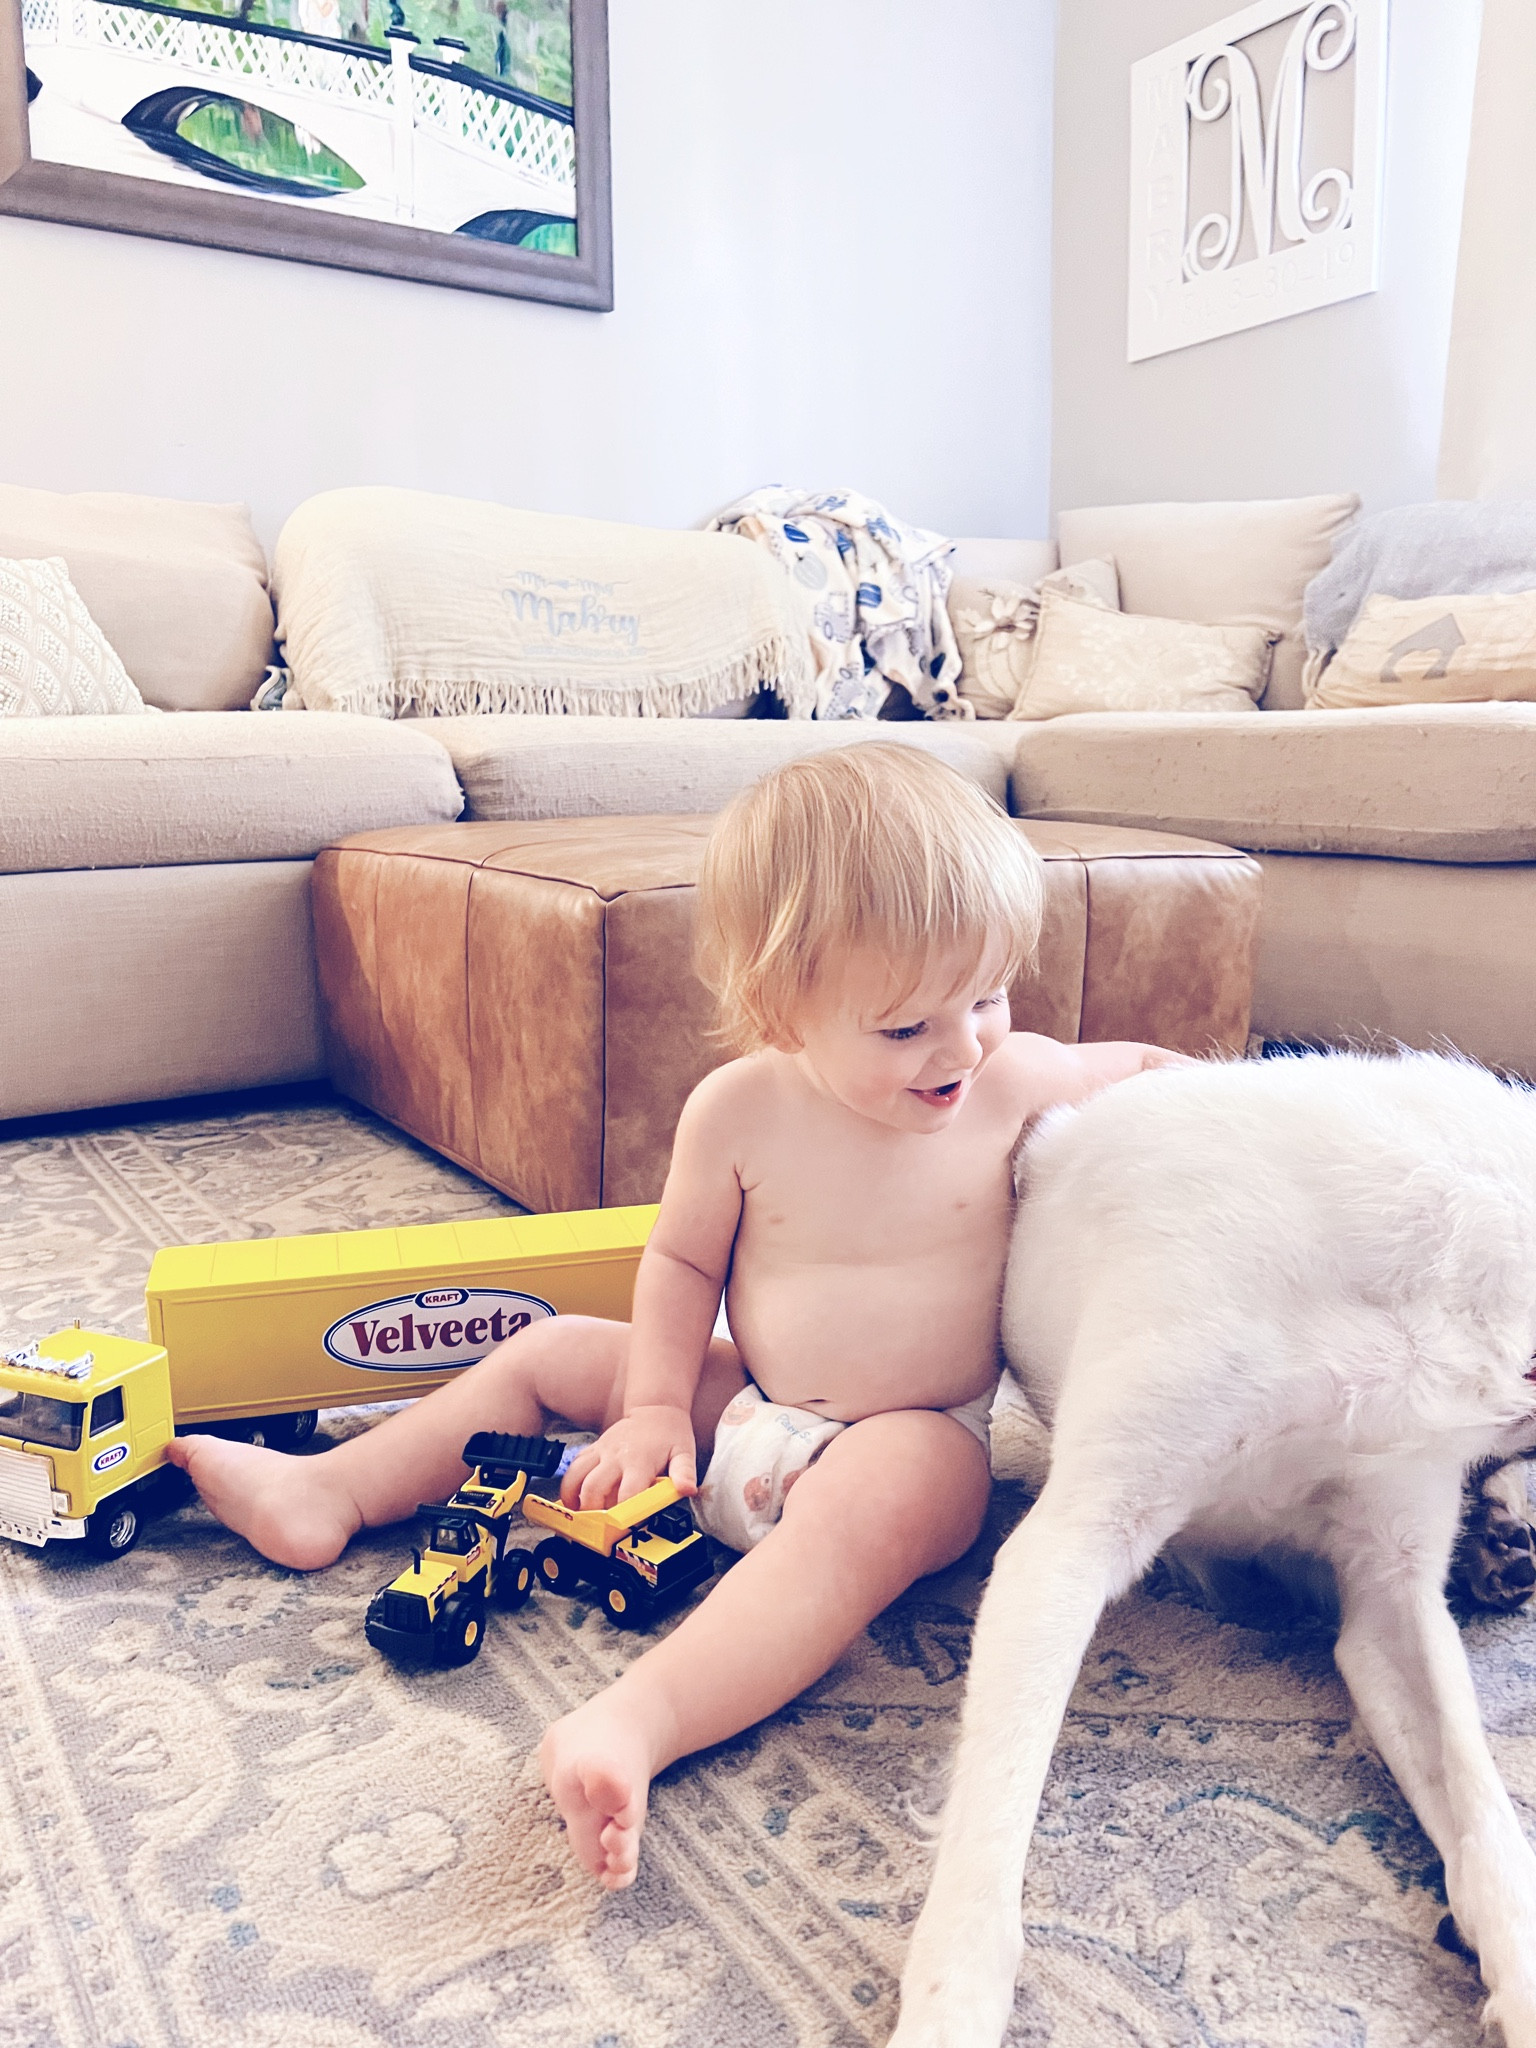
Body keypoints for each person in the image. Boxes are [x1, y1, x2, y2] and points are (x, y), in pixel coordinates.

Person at [169, 744, 1189, 1891]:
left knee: (885, 1493)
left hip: (920, 1431)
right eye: (905, 1026)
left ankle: (635, 1722)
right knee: (552, 1349)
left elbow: (1162, 1072)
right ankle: (330, 1489)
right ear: (781, 1007)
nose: (961, 1045)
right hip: (747, 1400)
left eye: (988, 994)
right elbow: (682, 1256)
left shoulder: (1021, 1078)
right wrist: (656, 1402)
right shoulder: (738, 1109)